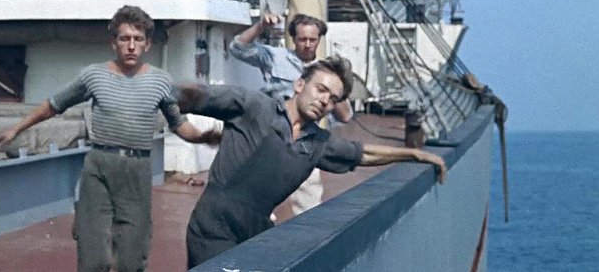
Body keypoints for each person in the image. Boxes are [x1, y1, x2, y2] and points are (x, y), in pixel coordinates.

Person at [0, 5, 218, 272]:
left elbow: (179, 124)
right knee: (93, 258)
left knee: (132, 259)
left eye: (138, 39)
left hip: (137, 170)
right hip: (99, 167)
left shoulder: (160, 82)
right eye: (124, 38)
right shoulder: (93, 75)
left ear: (147, 44)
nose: (131, 46)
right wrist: (17, 129)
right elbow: (54, 105)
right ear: (113, 42)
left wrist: (203, 137)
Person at [175, 56, 447, 268]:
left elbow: (361, 154)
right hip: (213, 229)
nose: (325, 101)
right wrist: (180, 123)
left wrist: (414, 154)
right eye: (321, 89)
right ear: (300, 85)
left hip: (255, 234)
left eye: (333, 99)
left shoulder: (318, 143)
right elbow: (187, 95)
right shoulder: (253, 106)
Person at [229, 12, 352, 215]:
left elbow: (345, 116)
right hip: (271, 141)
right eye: (302, 39)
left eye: (312, 40)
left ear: (319, 40)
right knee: (255, 207)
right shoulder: (275, 58)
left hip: (306, 144)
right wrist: (260, 26)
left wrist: (332, 89)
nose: (307, 44)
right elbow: (238, 48)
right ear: (293, 38)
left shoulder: (328, 75)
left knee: (309, 209)